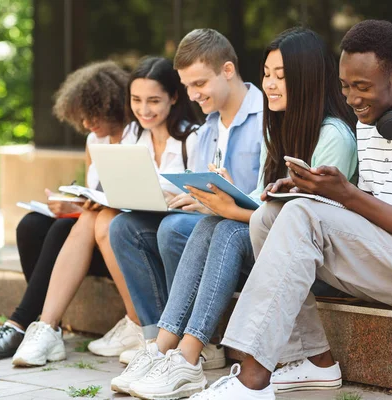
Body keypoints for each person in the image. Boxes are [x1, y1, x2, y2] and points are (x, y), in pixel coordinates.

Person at [195, 19, 392, 400]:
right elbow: (367, 213)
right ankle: (314, 361)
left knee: (302, 214)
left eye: (363, 87)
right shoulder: (370, 119)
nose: (352, 99)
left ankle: (252, 380)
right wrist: (314, 190)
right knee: (271, 214)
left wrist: (345, 195)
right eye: (346, 86)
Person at [110, 27, 358, 399]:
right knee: (212, 222)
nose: (270, 84)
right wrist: (230, 197)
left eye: (281, 76)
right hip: (275, 249)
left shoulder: (334, 137)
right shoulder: (280, 129)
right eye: (267, 74)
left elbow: (310, 224)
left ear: (307, 79)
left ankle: (188, 357)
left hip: (316, 264)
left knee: (224, 228)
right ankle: (164, 350)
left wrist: (233, 208)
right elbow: (264, 197)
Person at [10, 56, 201, 367]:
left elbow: (198, 195)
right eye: (137, 100)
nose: (144, 110)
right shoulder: (136, 135)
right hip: (128, 228)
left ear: (173, 97)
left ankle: (135, 324)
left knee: (103, 221)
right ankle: (46, 327)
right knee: (85, 218)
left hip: (164, 233)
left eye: (153, 100)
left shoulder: (190, 137)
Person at [108, 29, 264, 372]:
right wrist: (189, 196)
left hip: (244, 232)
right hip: (212, 222)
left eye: (199, 84)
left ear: (227, 70)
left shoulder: (266, 117)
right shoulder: (209, 127)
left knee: (174, 228)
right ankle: (156, 340)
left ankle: (198, 341)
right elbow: (203, 186)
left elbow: (266, 194)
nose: (193, 95)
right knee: (124, 227)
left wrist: (215, 202)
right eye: (188, 86)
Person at [0, 61, 129, 361]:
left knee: (61, 229)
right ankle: (42, 328)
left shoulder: (138, 136)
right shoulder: (94, 140)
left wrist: (80, 209)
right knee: (30, 225)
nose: (86, 124)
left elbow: (124, 201)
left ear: (113, 105)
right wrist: (71, 203)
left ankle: (21, 324)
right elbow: (94, 194)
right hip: (87, 236)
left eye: (93, 115)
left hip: (115, 244)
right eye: (81, 117)